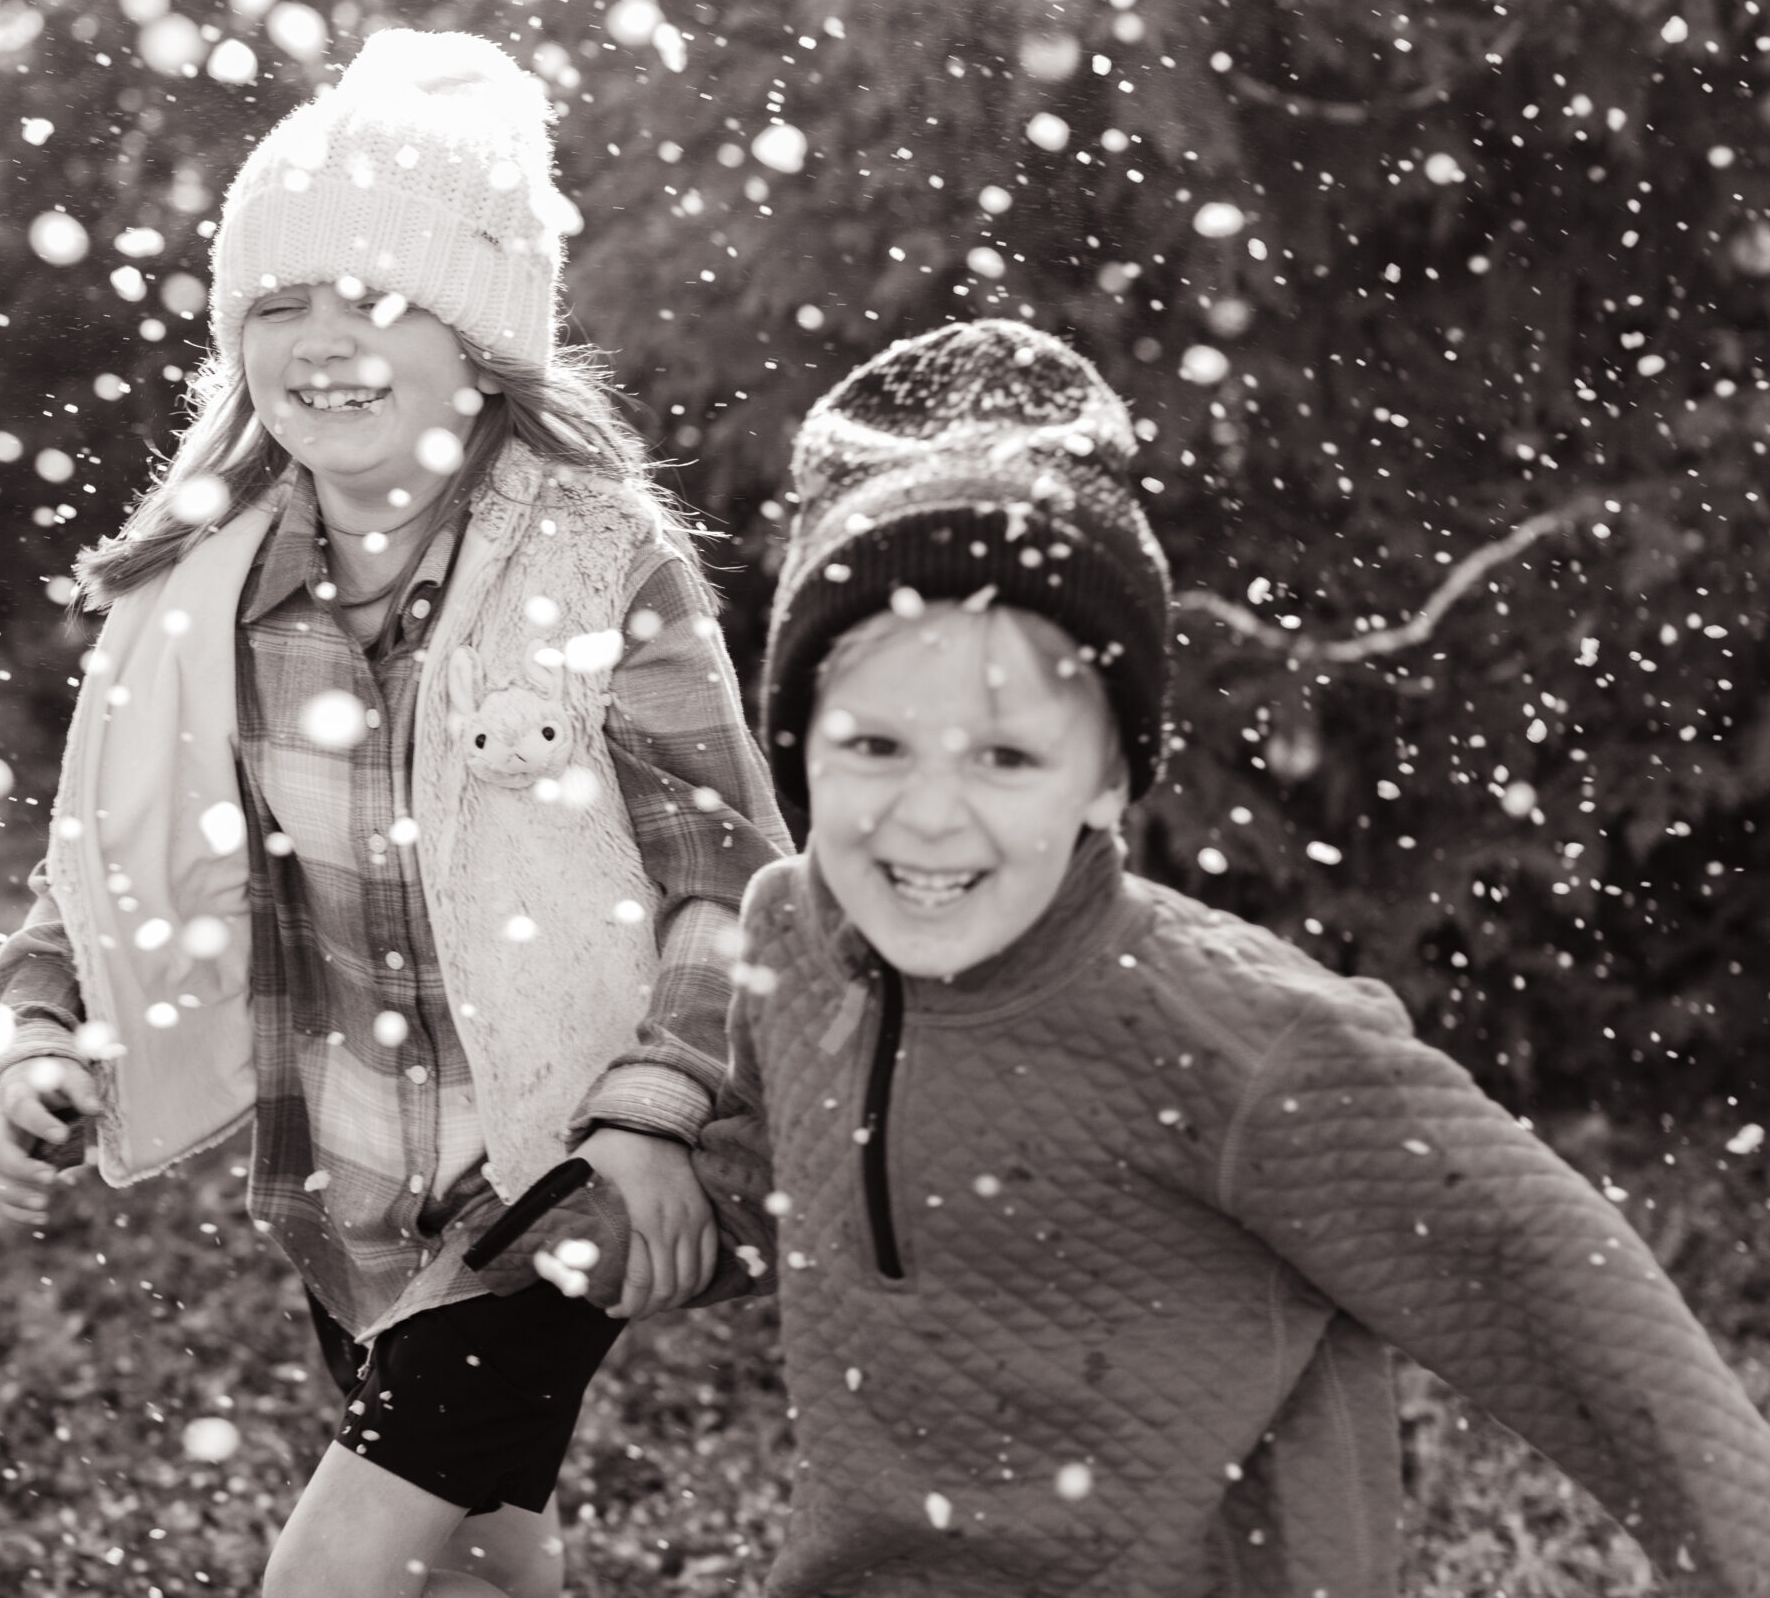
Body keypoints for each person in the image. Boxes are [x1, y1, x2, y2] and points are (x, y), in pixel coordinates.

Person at [501, 319, 1770, 1594]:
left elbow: (1548, 1285)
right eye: (874, 747)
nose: (928, 813)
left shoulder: (1238, 1040)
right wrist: (613, 1231)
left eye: (1003, 756)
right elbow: (796, 1180)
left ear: (1109, 775)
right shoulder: (792, 932)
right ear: (802, 745)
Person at [0, 27, 789, 1598]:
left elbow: (730, 878)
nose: (324, 341)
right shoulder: (206, 591)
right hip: (345, 1189)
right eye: (279, 302)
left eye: (383, 298)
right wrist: (34, 1029)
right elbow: (103, 858)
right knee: (481, 1556)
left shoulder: (597, 560)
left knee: (332, 1572)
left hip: (557, 1177)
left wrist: (655, 1114)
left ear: (484, 338)